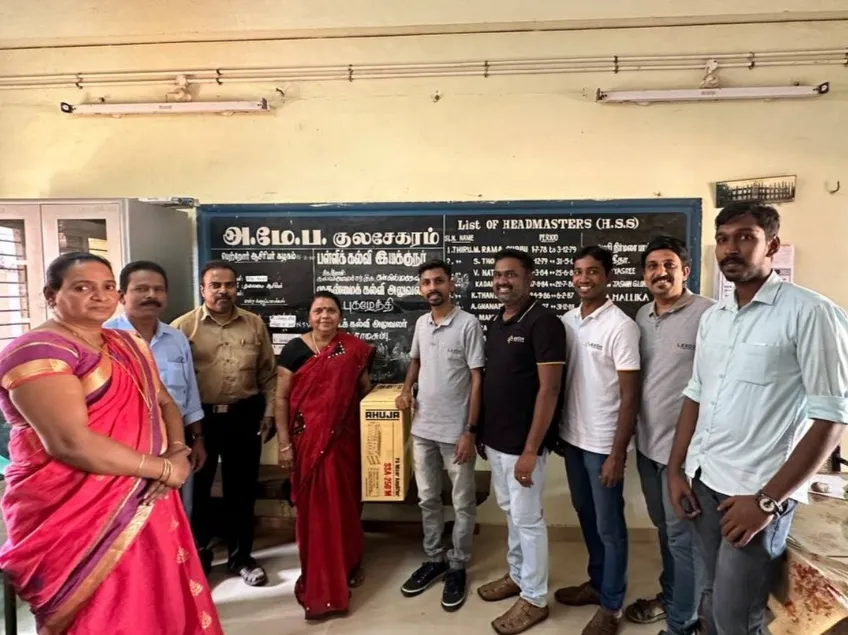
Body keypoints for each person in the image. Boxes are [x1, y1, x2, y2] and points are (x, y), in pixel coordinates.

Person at [0, 252, 223, 635]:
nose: (99, 296)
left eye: (107, 287)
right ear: (51, 294)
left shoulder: (125, 343)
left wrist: (177, 451)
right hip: (76, 511)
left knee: (159, 599)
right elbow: (71, 444)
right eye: (82, 287)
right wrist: (167, 469)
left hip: (148, 496)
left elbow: (165, 402)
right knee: (107, 614)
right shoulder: (37, 352)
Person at [666, 202, 848, 635]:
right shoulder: (715, 317)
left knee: (737, 617)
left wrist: (768, 502)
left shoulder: (811, 313)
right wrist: (676, 469)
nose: (732, 248)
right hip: (704, 481)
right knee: (711, 595)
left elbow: (832, 417)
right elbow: (695, 394)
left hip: (754, 496)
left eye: (746, 237)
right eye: (724, 238)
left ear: (773, 246)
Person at [624, 237, 713, 635]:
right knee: (665, 530)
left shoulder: (710, 315)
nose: (661, 272)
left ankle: (685, 621)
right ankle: (673, 595)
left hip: (687, 454)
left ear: (685, 270)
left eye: (669, 264)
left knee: (683, 539)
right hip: (648, 447)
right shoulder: (642, 315)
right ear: (644, 275)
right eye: (652, 266)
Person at [476, 248, 566, 635]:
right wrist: (481, 432)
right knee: (510, 511)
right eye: (497, 275)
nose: (502, 281)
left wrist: (531, 449)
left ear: (529, 278)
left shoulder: (544, 323)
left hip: (523, 446)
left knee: (528, 520)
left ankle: (534, 597)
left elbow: (549, 391)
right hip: (495, 441)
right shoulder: (496, 322)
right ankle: (516, 575)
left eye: (511, 274)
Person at [171, 260, 277, 586]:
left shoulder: (254, 324)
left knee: (241, 492)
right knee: (196, 494)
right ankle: (199, 558)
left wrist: (270, 412)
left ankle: (241, 558)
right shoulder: (181, 329)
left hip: (243, 418)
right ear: (202, 289)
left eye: (229, 285)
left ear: (236, 288)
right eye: (215, 285)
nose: (223, 291)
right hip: (198, 421)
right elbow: (177, 384)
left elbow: (268, 374)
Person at [274, 291, 374, 621]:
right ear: (309, 316)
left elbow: (364, 391)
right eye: (318, 311)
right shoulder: (294, 350)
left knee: (345, 505)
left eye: (331, 311)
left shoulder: (353, 350)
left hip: (344, 442)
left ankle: (349, 563)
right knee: (315, 512)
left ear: (340, 316)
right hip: (306, 443)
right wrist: (285, 443)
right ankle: (318, 574)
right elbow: (281, 399)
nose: (325, 316)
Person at [556, 245, 640, 635]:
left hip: (603, 443)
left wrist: (617, 453)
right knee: (586, 515)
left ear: (609, 277)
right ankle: (597, 582)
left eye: (592, 271)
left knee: (610, 525)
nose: (583, 278)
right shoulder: (568, 320)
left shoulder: (621, 326)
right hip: (572, 438)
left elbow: (630, 395)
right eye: (577, 271)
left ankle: (612, 605)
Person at [397, 259, 486, 612]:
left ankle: (458, 565)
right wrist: (406, 390)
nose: (432, 287)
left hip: (456, 434)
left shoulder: (468, 325)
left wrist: (470, 431)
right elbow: (415, 362)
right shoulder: (421, 323)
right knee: (428, 498)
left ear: (451, 284)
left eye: (439, 281)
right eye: (426, 282)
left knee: (463, 503)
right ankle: (434, 559)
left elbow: (478, 379)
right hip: (423, 429)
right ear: (421, 288)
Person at [105, 260, 207, 519]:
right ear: (121, 295)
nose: (151, 295)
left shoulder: (177, 338)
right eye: (141, 289)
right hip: (124, 444)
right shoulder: (103, 337)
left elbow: (189, 392)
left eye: (158, 289)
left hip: (176, 441)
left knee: (176, 512)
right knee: (129, 512)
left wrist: (196, 439)